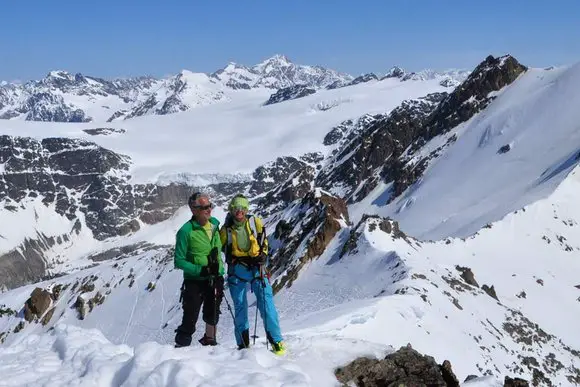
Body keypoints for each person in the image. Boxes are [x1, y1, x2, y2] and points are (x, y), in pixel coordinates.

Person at [219, 194, 286, 355]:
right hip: (239, 270)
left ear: (246, 209)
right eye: (236, 208)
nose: (239, 211)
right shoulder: (225, 230)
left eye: (242, 208)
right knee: (241, 308)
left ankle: (277, 342)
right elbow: (219, 247)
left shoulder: (254, 223)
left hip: (256, 268)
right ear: (231, 210)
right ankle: (243, 345)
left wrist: (262, 254)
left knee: (267, 306)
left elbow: (263, 241)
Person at [173, 192, 225, 348]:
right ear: (193, 209)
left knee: (213, 312)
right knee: (190, 314)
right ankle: (181, 346)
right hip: (194, 281)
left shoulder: (215, 224)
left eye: (209, 206)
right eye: (203, 207)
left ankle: (210, 341)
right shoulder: (185, 231)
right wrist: (200, 270)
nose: (208, 210)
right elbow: (179, 261)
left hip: (215, 277)